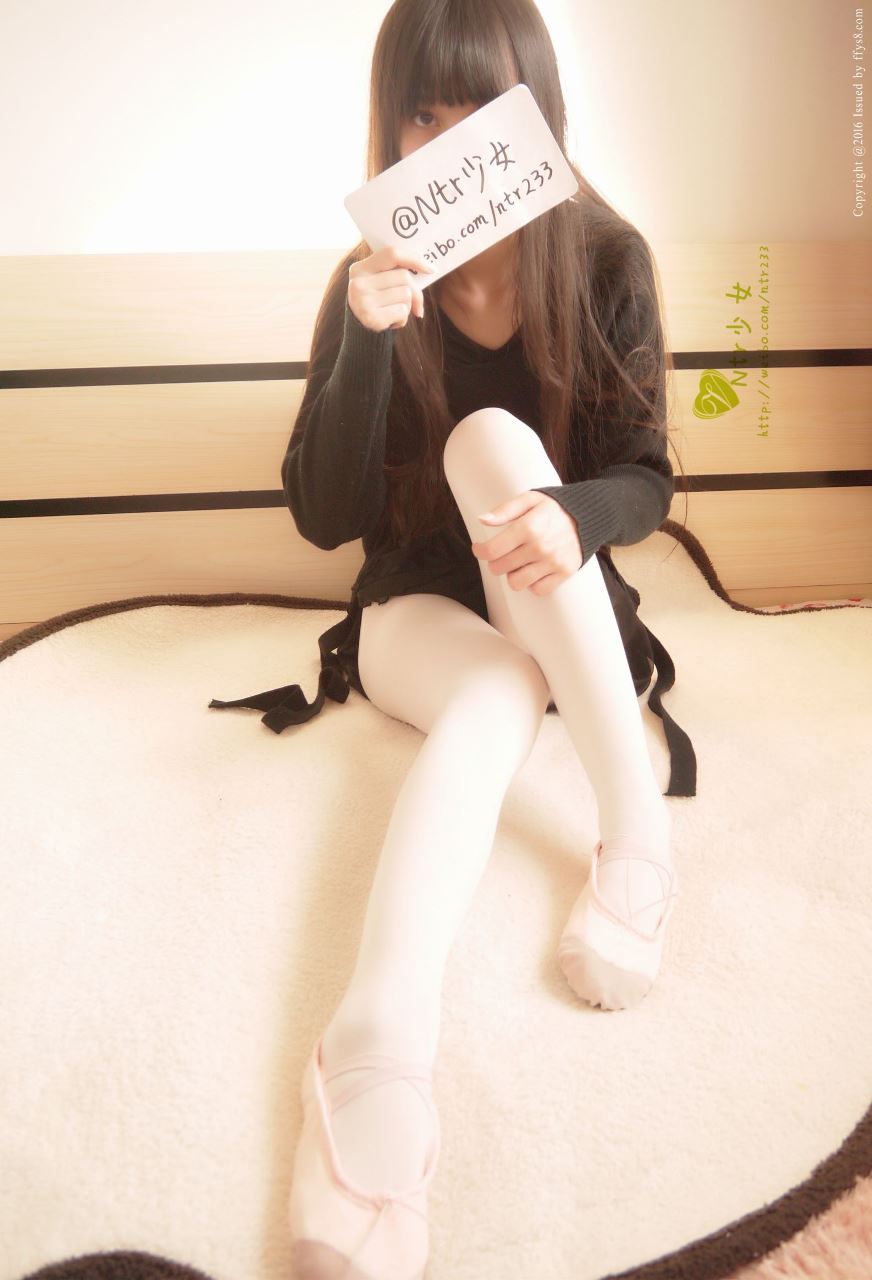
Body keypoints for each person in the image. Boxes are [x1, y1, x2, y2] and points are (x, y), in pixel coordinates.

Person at [209, 1, 697, 1274]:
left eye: (477, 109)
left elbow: (646, 477)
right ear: (390, 129)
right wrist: (366, 344)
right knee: (489, 695)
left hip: (553, 583)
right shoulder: (368, 284)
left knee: (493, 446)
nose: (447, 142)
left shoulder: (605, 259)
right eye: (420, 115)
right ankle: (373, 1040)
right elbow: (324, 516)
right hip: (420, 605)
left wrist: (568, 516)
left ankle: (634, 829)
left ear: (534, 115)